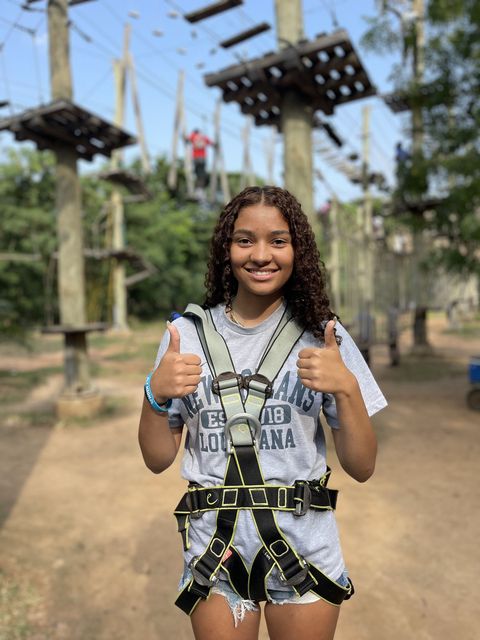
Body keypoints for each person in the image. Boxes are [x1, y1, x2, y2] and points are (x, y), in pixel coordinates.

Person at [138, 186, 387, 640]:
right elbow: (156, 459)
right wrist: (154, 395)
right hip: (217, 553)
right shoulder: (183, 336)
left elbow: (363, 466)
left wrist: (347, 387)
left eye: (278, 240)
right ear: (225, 249)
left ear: (298, 250)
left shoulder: (324, 335)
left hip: (305, 550)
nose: (260, 255)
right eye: (244, 240)